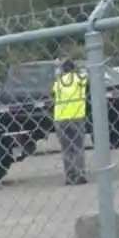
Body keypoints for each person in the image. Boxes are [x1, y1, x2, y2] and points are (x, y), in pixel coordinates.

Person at [52, 56, 89, 186]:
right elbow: (87, 77)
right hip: (77, 116)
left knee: (66, 149)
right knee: (78, 148)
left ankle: (70, 176)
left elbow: (53, 92)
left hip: (61, 118)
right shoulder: (80, 79)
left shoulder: (59, 82)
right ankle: (80, 175)